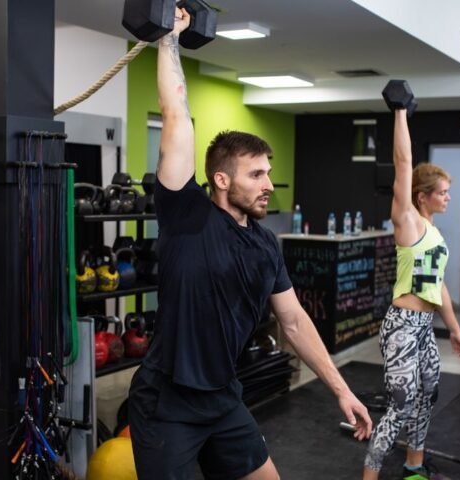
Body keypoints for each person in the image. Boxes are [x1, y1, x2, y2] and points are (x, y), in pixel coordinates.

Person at [127, 9, 372, 479]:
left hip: (223, 398)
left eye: (268, 172)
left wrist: (340, 388)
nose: (268, 183)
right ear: (220, 179)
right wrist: (169, 38)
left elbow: (295, 321)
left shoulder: (265, 244)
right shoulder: (186, 215)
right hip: (167, 403)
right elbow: (175, 114)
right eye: (256, 174)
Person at [362, 104, 460, 480]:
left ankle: (413, 468)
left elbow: (438, 286)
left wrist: (454, 329)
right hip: (402, 327)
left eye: (448, 192)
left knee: (428, 398)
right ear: (422, 196)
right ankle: (370, 476)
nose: (448, 198)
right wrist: (401, 113)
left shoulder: (437, 235)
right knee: (401, 406)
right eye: (442, 192)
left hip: (425, 327)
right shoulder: (407, 222)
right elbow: (403, 163)